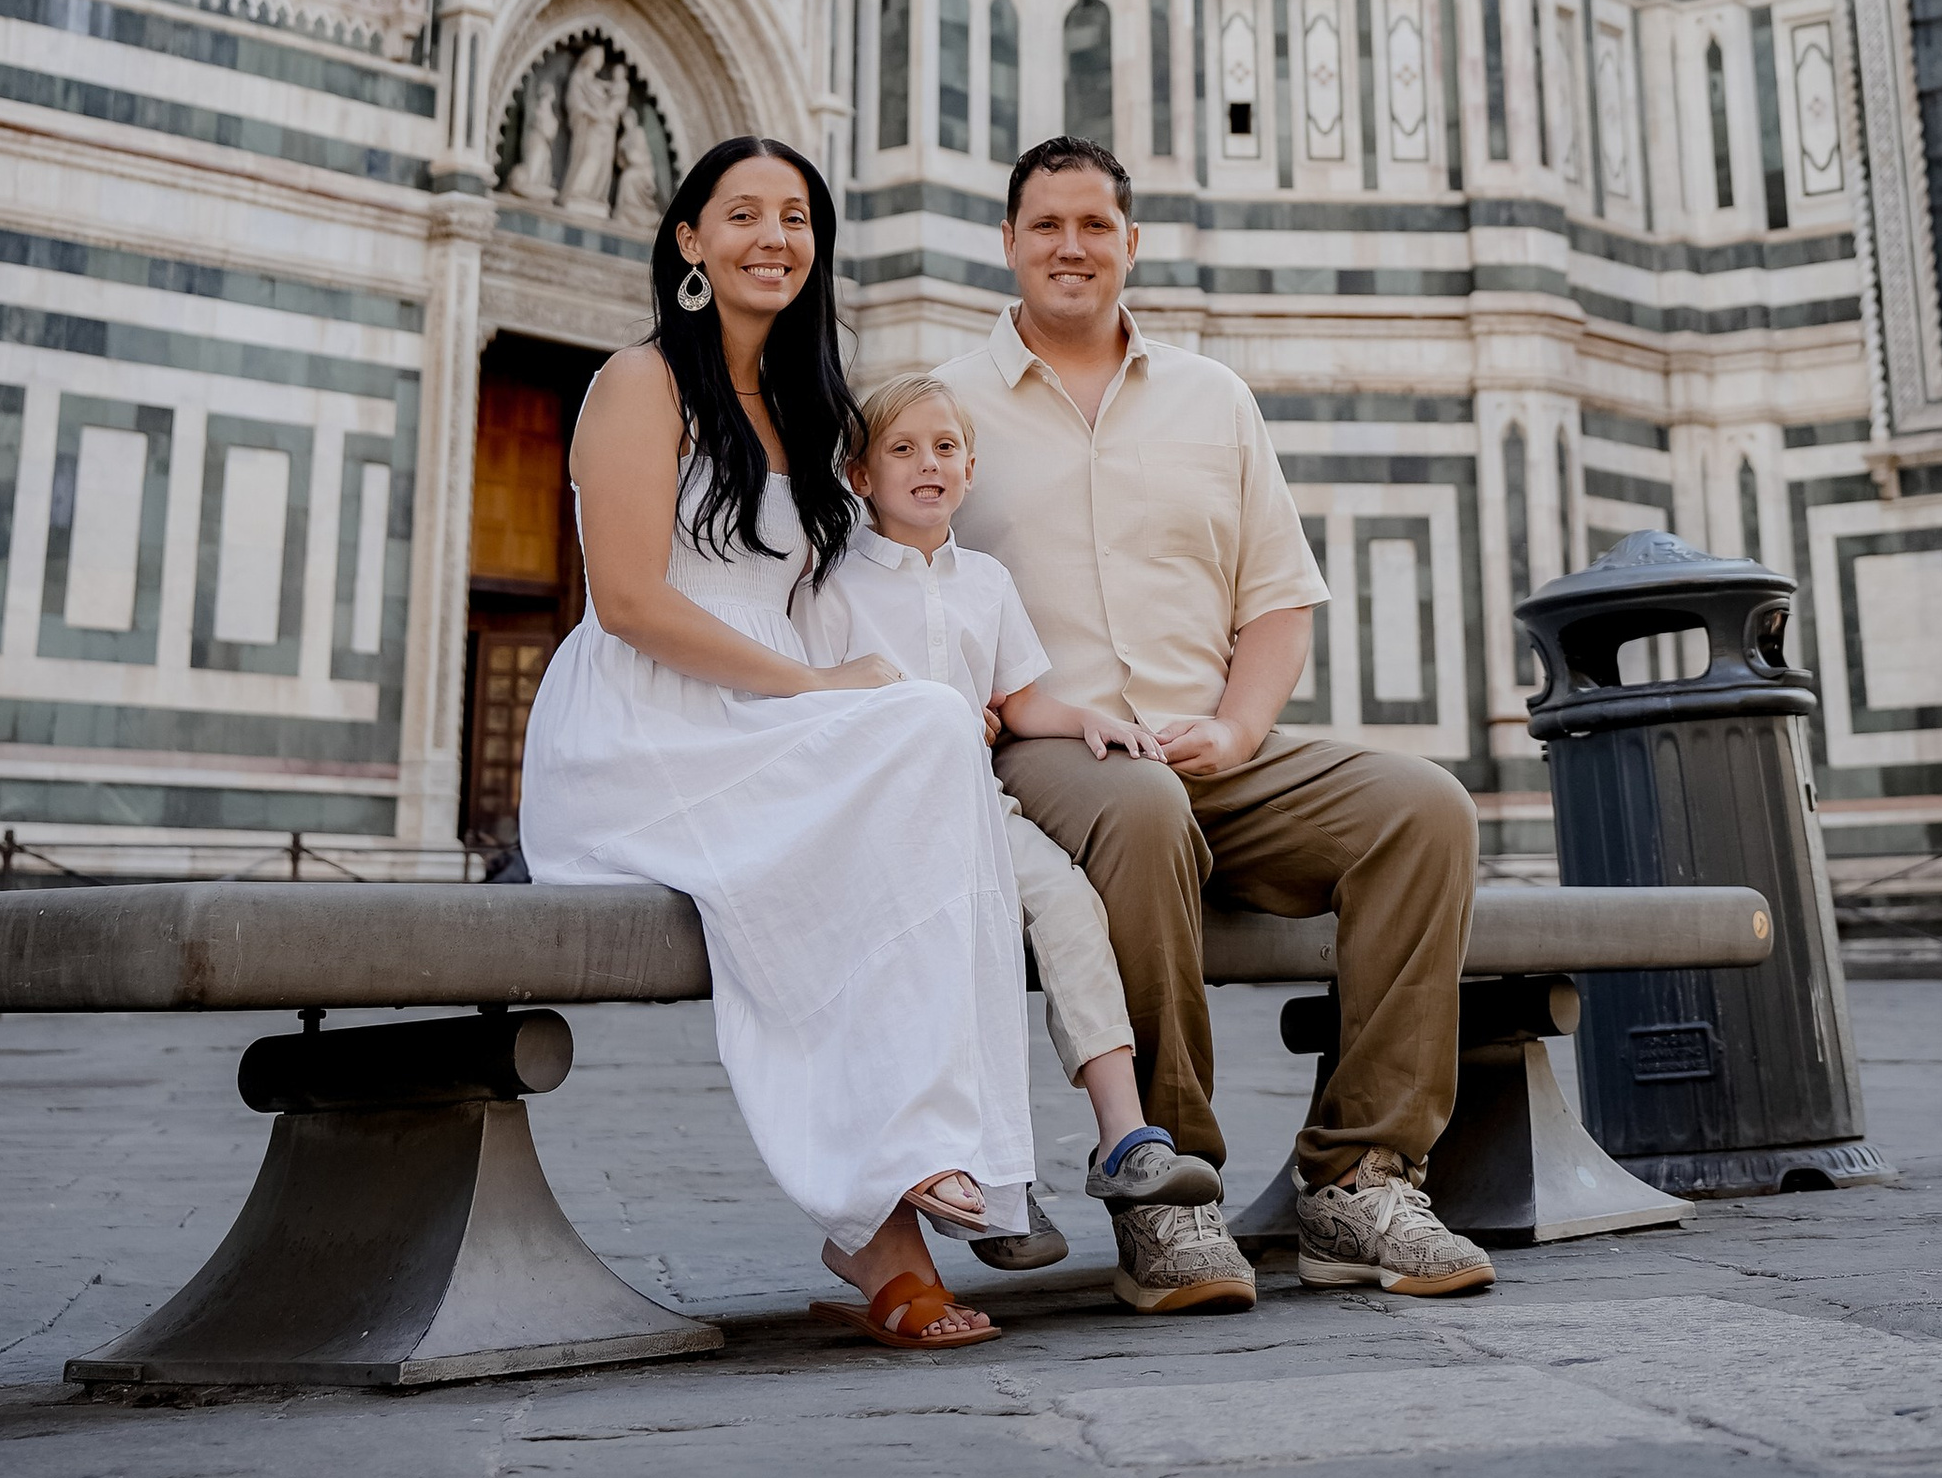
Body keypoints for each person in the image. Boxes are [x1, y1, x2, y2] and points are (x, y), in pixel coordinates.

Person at [941, 137, 1491, 1315]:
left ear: (1131, 243)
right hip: (1051, 756)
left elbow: (1277, 602)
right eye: (1048, 225)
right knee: (1141, 809)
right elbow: (898, 585)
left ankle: (1357, 1177)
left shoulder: (1212, 398)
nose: (1072, 247)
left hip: (1214, 749)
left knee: (1423, 810)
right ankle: (1167, 1186)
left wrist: (1239, 733)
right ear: (1008, 242)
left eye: (1095, 225)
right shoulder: (947, 409)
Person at [520, 136, 1036, 1352]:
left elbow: (867, 587)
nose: (773, 237)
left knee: (931, 727)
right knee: (901, 749)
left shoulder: (815, 411)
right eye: (743, 212)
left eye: (796, 216)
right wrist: (815, 688)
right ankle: (904, 1172)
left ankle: (926, 1160)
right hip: (645, 724)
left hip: (762, 712)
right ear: (689, 239)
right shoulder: (640, 382)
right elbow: (630, 602)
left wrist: (946, 686)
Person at [792, 372, 1222, 1270]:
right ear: (860, 475)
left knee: (1068, 904)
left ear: (971, 469)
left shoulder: (985, 581)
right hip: (881, 822)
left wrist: (1091, 720)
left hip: (979, 808)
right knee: (956, 941)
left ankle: (1125, 1136)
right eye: (903, 449)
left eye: (945, 448)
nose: (928, 464)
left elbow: (1018, 700)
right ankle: (994, 1184)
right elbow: (814, 707)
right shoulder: (831, 582)